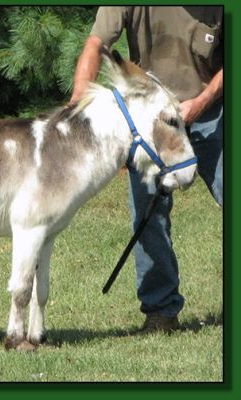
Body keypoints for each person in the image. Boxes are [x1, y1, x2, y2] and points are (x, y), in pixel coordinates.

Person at [69, 6, 223, 333]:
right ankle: (161, 312)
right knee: (148, 215)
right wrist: (77, 101)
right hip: (152, 120)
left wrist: (203, 101)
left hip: (212, 114)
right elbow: (96, 42)